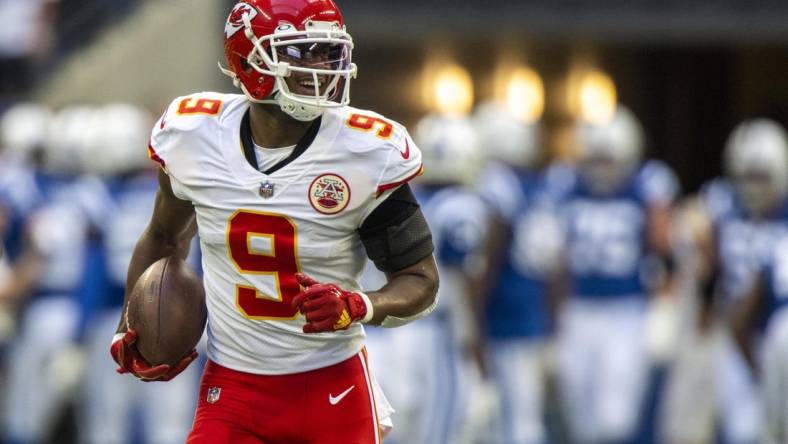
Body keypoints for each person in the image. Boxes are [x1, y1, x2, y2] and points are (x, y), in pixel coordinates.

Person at [110, 1, 439, 443]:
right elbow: (164, 238)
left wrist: (359, 305)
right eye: (303, 53)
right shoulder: (195, 134)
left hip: (332, 388)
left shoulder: (364, 151)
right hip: (233, 389)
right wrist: (130, 326)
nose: (322, 67)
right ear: (248, 60)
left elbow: (420, 279)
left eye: (327, 52)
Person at [553, 105, 679, 444]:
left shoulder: (647, 184)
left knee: (616, 417)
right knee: (578, 411)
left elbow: (663, 248)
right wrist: (554, 316)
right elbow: (557, 259)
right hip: (579, 309)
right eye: (596, 159)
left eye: (609, 160)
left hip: (627, 311)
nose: (602, 169)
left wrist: (664, 303)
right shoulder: (565, 184)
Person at [79, 103, 202, 444]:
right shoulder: (176, 195)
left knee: (106, 426)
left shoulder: (97, 195)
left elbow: (94, 270)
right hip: (182, 318)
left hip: (115, 315)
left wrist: (85, 326)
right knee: (171, 427)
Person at [473, 101, 561, 444]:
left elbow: (488, 260)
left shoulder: (497, 184)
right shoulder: (540, 186)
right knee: (523, 418)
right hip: (531, 311)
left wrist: (476, 318)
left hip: (503, 314)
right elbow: (557, 267)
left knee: (506, 421)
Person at [701, 119, 788, 444]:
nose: (754, 187)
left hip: (768, 331)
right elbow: (710, 269)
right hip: (735, 334)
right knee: (740, 431)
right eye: (747, 177)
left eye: (762, 176)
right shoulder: (723, 204)